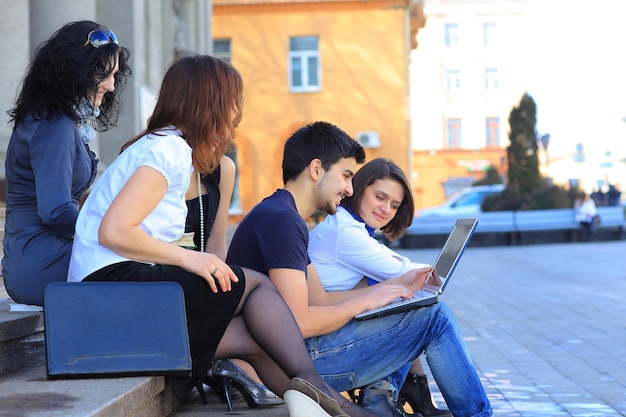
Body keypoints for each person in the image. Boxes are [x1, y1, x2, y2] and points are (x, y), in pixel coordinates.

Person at [67, 55, 374, 417]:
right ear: (207, 102)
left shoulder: (163, 146)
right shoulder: (168, 150)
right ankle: (325, 394)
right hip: (111, 290)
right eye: (231, 103)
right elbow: (115, 230)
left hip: (110, 301)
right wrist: (190, 258)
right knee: (257, 286)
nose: (235, 115)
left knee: (253, 337)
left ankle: (324, 407)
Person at [226, 121, 493, 417]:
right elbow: (301, 323)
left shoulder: (283, 215)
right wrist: (368, 299)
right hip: (293, 361)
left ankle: (392, 400)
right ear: (316, 170)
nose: (348, 189)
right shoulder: (282, 221)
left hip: (287, 353)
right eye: (345, 176)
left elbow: (321, 301)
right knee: (436, 318)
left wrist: (385, 292)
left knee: (406, 308)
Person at [1, 21, 131, 307]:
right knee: (154, 276)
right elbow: (57, 211)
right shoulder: (55, 126)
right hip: (42, 263)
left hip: (42, 256)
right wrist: (116, 231)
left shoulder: (55, 120)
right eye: (103, 74)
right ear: (75, 70)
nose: (111, 86)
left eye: (114, 75)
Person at [309, 158, 451, 416]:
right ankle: (386, 394)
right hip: (321, 342)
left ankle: (406, 392)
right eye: (380, 197)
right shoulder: (346, 233)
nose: (386, 209)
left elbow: (399, 271)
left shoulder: (353, 228)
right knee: (413, 304)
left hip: (328, 328)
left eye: (394, 205)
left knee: (400, 297)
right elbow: (405, 272)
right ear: (360, 189)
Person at [183, 156, 283, 410]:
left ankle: (307, 395)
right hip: (161, 277)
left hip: (200, 276)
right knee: (259, 290)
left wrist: (223, 296)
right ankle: (315, 395)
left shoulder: (223, 167)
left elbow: (216, 243)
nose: (227, 134)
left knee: (253, 311)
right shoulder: (159, 156)